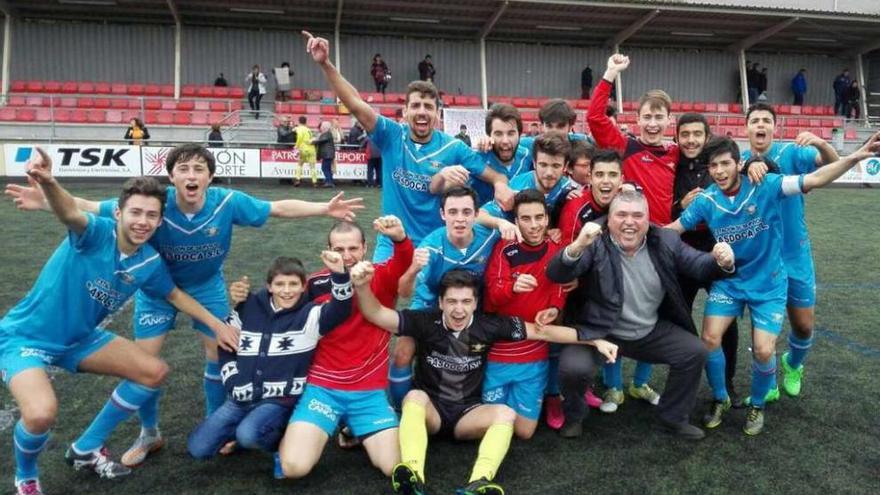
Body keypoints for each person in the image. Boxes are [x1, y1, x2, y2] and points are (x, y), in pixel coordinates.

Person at [4, 143, 365, 470]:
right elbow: (89, 207)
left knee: (219, 350)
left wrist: (323, 208)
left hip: (206, 287)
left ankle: (217, 422)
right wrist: (47, 199)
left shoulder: (227, 202)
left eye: (198, 169)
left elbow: (275, 208)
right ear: (172, 175)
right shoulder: (154, 206)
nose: (191, 176)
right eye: (183, 169)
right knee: (144, 365)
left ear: (210, 175)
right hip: (156, 288)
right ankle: (149, 433)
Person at [1, 150, 236, 493]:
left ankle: (85, 448)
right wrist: (50, 183)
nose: (142, 221)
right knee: (40, 414)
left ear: (159, 222)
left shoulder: (149, 261)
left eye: (151, 216)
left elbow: (176, 297)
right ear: (118, 213)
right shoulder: (95, 233)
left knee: (152, 372)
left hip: (81, 339)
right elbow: (70, 212)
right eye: (136, 212)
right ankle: (27, 477)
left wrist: (217, 324)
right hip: (25, 339)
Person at [668, 135, 877, 435]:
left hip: (769, 284)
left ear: (737, 163)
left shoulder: (766, 186)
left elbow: (816, 178)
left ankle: (758, 404)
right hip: (730, 282)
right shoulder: (706, 200)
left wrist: (856, 157)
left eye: (725, 163)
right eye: (713, 165)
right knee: (709, 340)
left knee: (764, 351)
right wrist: (631, 228)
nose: (719, 171)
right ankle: (720, 398)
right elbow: (674, 230)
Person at [349, 265, 615, 495]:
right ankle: (412, 476)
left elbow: (543, 332)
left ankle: (479, 482)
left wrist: (593, 339)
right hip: (432, 412)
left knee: (505, 414)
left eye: (466, 302)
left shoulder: (489, 325)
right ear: (440, 302)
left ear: (475, 303)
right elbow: (376, 314)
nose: (459, 309)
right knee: (414, 397)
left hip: (467, 414)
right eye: (452, 301)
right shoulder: (424, 321)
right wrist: (361, 287)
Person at [302, 30, 513, 263]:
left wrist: (501, 185)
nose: (422, 111)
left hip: (434, 242)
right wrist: (326, 64)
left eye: (428, 107)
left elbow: (497, 177)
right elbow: (355, 104)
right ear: (405, 112)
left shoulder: (454, 148)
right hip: (392, 239)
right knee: (376, 292)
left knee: (440, 299)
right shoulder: (391, 135)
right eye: (416, 106)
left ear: (437, 114)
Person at [549, 190, 736, 440]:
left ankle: (673, 417)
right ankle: (574, 416)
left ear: (648, 221)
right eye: (621, 215)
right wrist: (578, 245)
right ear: (609, 219)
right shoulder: (594, 242)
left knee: (694, 351)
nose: (629, 222)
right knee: (573, 368)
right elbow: (557, 274)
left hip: (648, 331)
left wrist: (720, 260)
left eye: (638, 215)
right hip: (599, 333)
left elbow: (698, 265)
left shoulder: (666, 240)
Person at [274, 216, 412, 480]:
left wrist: (399, 238)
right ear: (328, 251)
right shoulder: (314, 283)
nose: (347, 256)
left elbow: (404, 261)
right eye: (339, 249)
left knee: (393, 466)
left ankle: (350, 425)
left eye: (353, 248)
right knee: (294, 468)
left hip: (368, 392)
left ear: (365, 247)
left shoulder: (381, 275)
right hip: (323, 389)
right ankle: (304, 426)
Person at [187, 252, 352, 464]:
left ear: (304, 287)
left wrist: (339, 274)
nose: (286, 290)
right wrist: (232, 380)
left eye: (293, 284)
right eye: (280, 284)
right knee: (198, 448)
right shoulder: (248, 307)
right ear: (269, 286)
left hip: (280, 399)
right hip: (241, 397)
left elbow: (341, 308)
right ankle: (242, 429)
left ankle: (282, 439)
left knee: (248, 435)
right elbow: (226, 345)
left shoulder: (311, 315)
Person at [739, 103, 839, 404]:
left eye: (766, 120)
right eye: (754, 120)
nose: (760, 125)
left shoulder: (793, 153)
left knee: (804, 324)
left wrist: (821, 142)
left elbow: (833, 165)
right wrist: (745, 167)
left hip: (795, 255)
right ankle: (767, 384)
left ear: (774, 127)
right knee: (762, 330)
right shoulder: (737, 160)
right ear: (746, 128)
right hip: (759, 258)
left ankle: (793, 365)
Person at [482, 189, 566, 440]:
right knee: (494, 422)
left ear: (547, 218)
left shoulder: (555, 249)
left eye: (539, 217)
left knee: (525, 432)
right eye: (526, 219)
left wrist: (554, 308)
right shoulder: (504, 249)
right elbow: (492, 298)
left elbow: (560, 287)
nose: (533, 225)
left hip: (534, 352)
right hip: (499, 353)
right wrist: (512, 287)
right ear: (516, 221)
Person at [671, 113, 740, 400]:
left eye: (696, 134)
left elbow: (753, 169)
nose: (690, 140)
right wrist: (680, 205)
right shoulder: (671, 166)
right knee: (678, 320)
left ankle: (727, 384)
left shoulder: (718, 164)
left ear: (707, 136)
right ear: (677, 138)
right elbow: (665, 211)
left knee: (727, 324)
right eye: (684, 134)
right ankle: (681, 388)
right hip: (682, 254)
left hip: (717, 255)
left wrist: (763, 163)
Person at [588, 53, 679, 226]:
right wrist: (610, 73)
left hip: (665, 234)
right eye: (647, 117)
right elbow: (594, 117)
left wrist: (748, 162)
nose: (653, 123)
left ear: (669, 119)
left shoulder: (676, 152)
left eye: (659, 117)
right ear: (637, 119)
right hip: (629, 233)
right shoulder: (624, 147)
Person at [469, 103, 531, 205]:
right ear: (489, 135)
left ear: (520, 135)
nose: (505, 140)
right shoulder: (477, 159)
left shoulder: (528, 155)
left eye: (511, 133)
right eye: (498, 134)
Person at [312, 121, 337, 188]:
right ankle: (329, 181)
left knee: (325, 168)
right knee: (328, 168)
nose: (321, 128)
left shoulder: (327, 134)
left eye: (322, 127)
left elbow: (321, 140)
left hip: (327, 154)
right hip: (328, 154)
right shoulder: (328, 133)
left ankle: (329, 182)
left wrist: (313, 142)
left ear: (325, 127)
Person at [294, 116, 318, 187]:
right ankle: (314, 182)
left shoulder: (300, 129)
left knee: (300, 164)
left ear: (299, 121)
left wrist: (296, 145)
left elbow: (300, 137)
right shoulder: (309, 129)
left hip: (303, 148)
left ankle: (298, 179)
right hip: (312, 149)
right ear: (305, 122)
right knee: (312, 166)